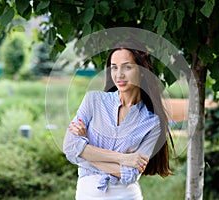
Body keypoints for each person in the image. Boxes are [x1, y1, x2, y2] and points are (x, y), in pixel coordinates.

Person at [63, 39, 176, 200]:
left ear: (142, 70)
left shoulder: (153, 122)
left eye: (127, 67)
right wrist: (124, 159)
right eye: (114, 67)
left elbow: (131, 174)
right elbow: (69, 147)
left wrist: (85, 149)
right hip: (87, 194)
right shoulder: (93, 101)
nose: (119, 74)